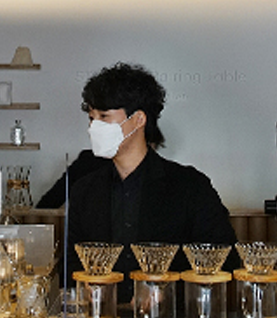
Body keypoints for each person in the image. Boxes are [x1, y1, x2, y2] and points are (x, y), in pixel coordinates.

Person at [65, 62, 238, 301]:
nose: (94, 128)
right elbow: (70, 259)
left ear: (138, 120)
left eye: (104, 117)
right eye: (91, 118)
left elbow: (224, 258)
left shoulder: (190, 186)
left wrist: (165, 290)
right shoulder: (84, 190)